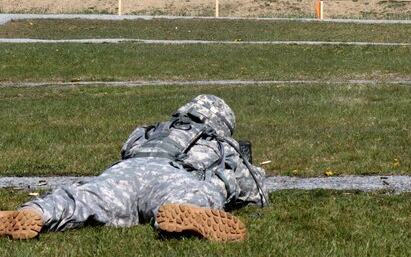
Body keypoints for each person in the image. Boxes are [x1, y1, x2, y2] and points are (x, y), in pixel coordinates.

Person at [0, 95, 267, 241]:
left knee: (84, 197)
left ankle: (36, 211)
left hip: (124, 174)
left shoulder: (149, 131)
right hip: (175, 176)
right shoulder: (219, 142)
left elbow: (127, 151)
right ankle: (186, 211)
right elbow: (252, 191)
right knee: (202, 191)